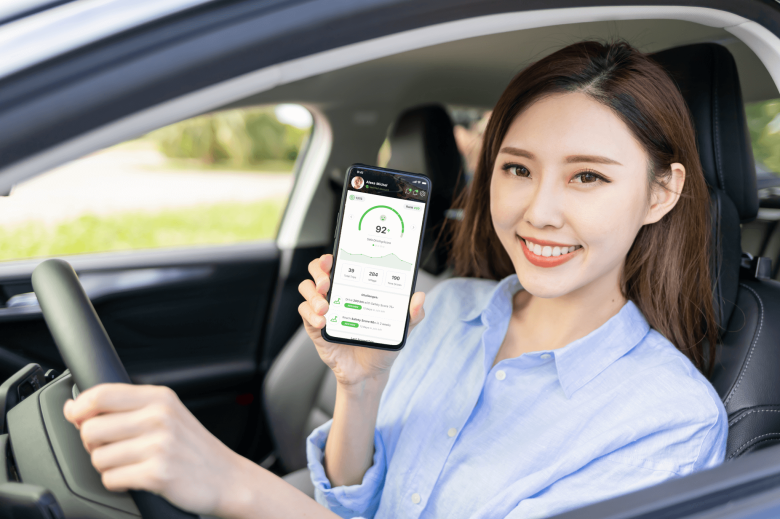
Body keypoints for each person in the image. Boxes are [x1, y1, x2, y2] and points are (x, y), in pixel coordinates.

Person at [62, 39, 727, 519]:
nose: (539, 211)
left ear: (660, 194)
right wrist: (362, 383)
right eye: (517, 169)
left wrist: (234, 484)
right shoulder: (447, 305)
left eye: (588, 176)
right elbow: (356, 503)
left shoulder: (670, 423)